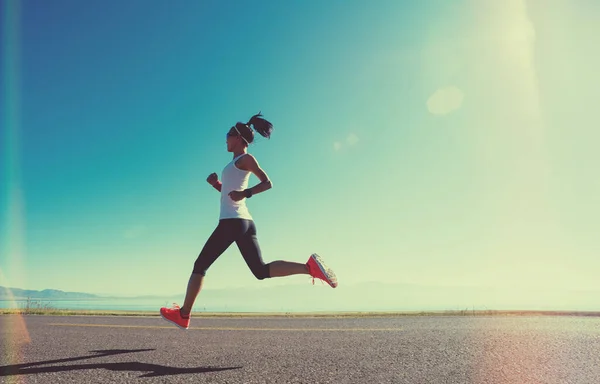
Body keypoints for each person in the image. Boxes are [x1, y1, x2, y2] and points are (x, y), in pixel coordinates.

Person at [160, 112, 337, 329]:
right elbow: (229, 194)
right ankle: (309, 268)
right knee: (260, 271)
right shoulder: (234, 163)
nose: (225, 139)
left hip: (232, 222)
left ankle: (184, 315)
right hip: (242, 222)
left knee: (200, 265)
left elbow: (267, 183)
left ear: (237, 138)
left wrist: (245, 194)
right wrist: (216, 185)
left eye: (227, 135)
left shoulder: (245, 158)